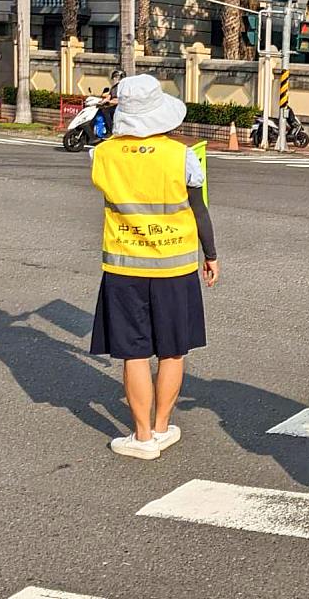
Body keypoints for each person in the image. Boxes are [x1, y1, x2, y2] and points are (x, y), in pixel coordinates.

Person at [89, 74, 219, 460]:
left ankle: (141, 437)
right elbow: (199, 210)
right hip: (175, 268)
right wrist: (209, 255)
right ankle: (163, 427)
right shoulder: (182, 156)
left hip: (124, 268)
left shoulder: (102, 154)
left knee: (134, 353)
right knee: (173, 351)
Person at [98, 69, 125, 136]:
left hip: (120, 107)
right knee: (101, 109)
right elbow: (109, 97)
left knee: (105, 111)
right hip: (113, 105)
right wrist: (101, 102)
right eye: (114, 77)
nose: (114, 79)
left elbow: (120, 99)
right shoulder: (113, 88)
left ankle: (111, 131)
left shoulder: (122, 87)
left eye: (116, 77)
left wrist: (111, 101)